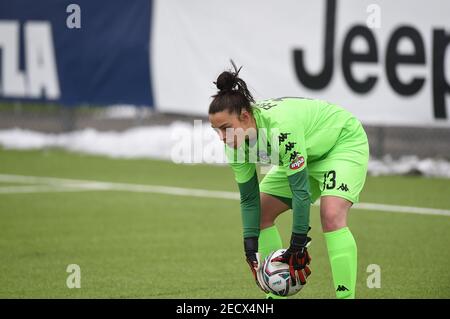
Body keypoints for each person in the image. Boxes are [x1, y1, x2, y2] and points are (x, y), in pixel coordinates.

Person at [208, 62, 369, 299]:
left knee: (331, 214)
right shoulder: (234, 144)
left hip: (340, 144)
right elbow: (249, 199)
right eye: (216, 131)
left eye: (226, 128)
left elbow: (300, 191)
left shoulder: (281, 128)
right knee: (261, 211)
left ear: (244, 116)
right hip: (305, 155)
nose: (222, 137)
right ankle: (272, 297)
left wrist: (298, 243)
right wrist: (250, 248)